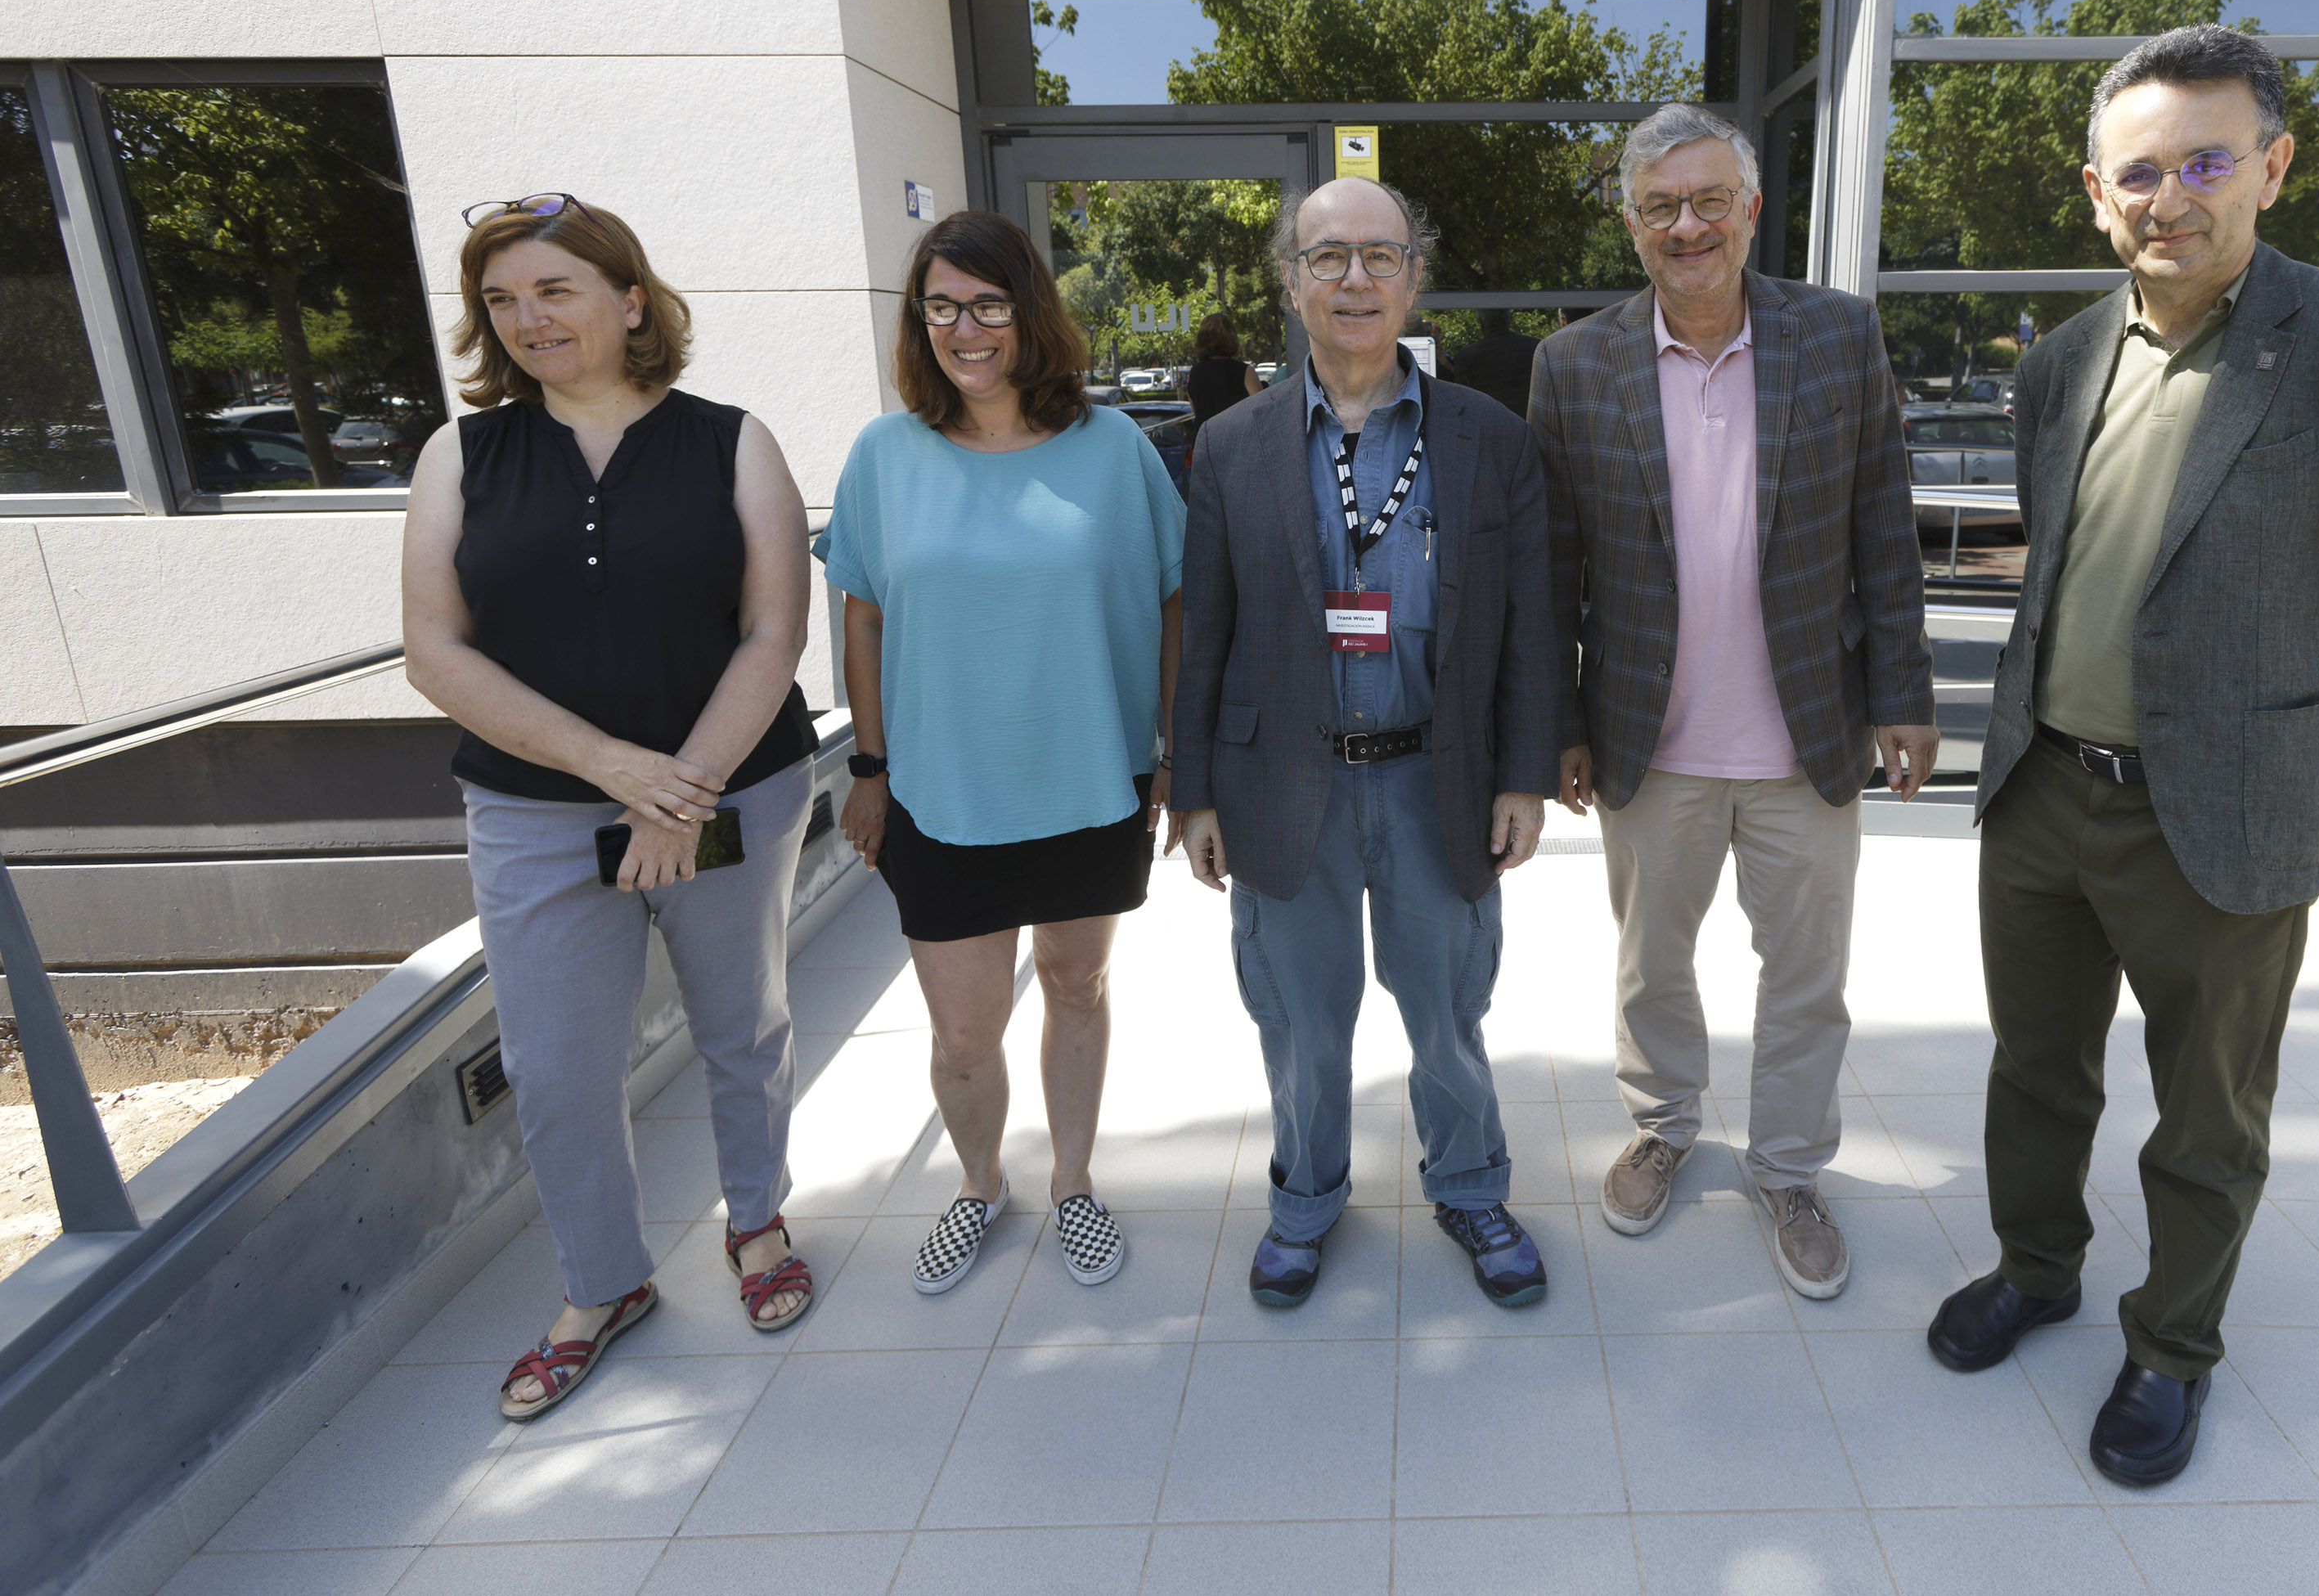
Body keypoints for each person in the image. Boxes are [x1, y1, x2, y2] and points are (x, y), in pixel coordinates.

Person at [1929, 26, 2319, 1486]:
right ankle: (2036, 1267)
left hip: (2224, 819)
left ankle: (2171, 1345)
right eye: (2137, 170)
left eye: (2202, 160)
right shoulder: (2060, 360)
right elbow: (2056, 562)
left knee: (2207, 1108)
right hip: (2042, 787)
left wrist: (2288, 732)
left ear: (2271, 164)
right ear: (2094, 192)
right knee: (2033, 1070)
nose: (2166, 194)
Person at [402, 194, 820, 1421]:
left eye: (555, 290)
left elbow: (773, 628)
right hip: (535, 809)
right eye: (501, 301)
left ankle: (755, 1223)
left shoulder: (729, 440)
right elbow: (434, 650)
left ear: (628, 299)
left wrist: (678, 788)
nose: (528, 318)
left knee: (741, 1021)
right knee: (555, 1063)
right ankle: (601, 1283)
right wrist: (616, 771)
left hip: (732, 788)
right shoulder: (459, 455)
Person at [1531, 104, 1938, 1302]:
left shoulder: (1836, 337)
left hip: (1803, 732)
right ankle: (1662, 1122)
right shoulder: (1573, 363)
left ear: (1751, 207)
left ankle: (1790, 1167)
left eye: (1709, 199)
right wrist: (1553, 720)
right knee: (1650, 962)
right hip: (1643, 737)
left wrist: (1904, 691)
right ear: (1630, 222)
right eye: (1659, 205)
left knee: (1804, 973)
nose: (1687, 224)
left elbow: (1882, 523)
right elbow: (1552, 563)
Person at [1169, 177, 1556, 1310]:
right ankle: (1304, 1196)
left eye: (1378, 256)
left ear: (1413, 277)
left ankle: (1470, 1182)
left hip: (1436, 775)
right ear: (1290, 282)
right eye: (1327, 257)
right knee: (1299, 1014)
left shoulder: (1489, 438)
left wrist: (1524, 773)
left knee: (1444, 1004)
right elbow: (1205, 632)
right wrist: (1191, 790)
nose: (1353, 278)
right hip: (1280, 782)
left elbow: (1531, 622)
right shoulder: (1230, 444)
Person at [820, 210, 1185, 1297]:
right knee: (964, 1028)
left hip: (1089, 777)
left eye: (986, 303)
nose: (964, 327)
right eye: (941, 305)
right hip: (942, 793)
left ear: (1030, 311)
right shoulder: (887, 455)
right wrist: (869, 770)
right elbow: (864, 617)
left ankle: (1073, 1181)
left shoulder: (1113, 449)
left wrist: (1170, 752)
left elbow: (1173, 602)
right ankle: (979, 1183)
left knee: (1077, 981)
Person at [1445, 308, 1539, 419]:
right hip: (1529, 422)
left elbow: (1462, 399)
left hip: (1488, 423)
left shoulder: (1468, 355)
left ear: (1480, 322)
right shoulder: (1534, 348)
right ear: (1510, 319)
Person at [1189, 312, 1259, 424]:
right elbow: (1260, 408)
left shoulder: (1195, 372)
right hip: (1237, 435)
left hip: (1204, 437)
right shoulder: (1246, 372)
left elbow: (1196, 408)